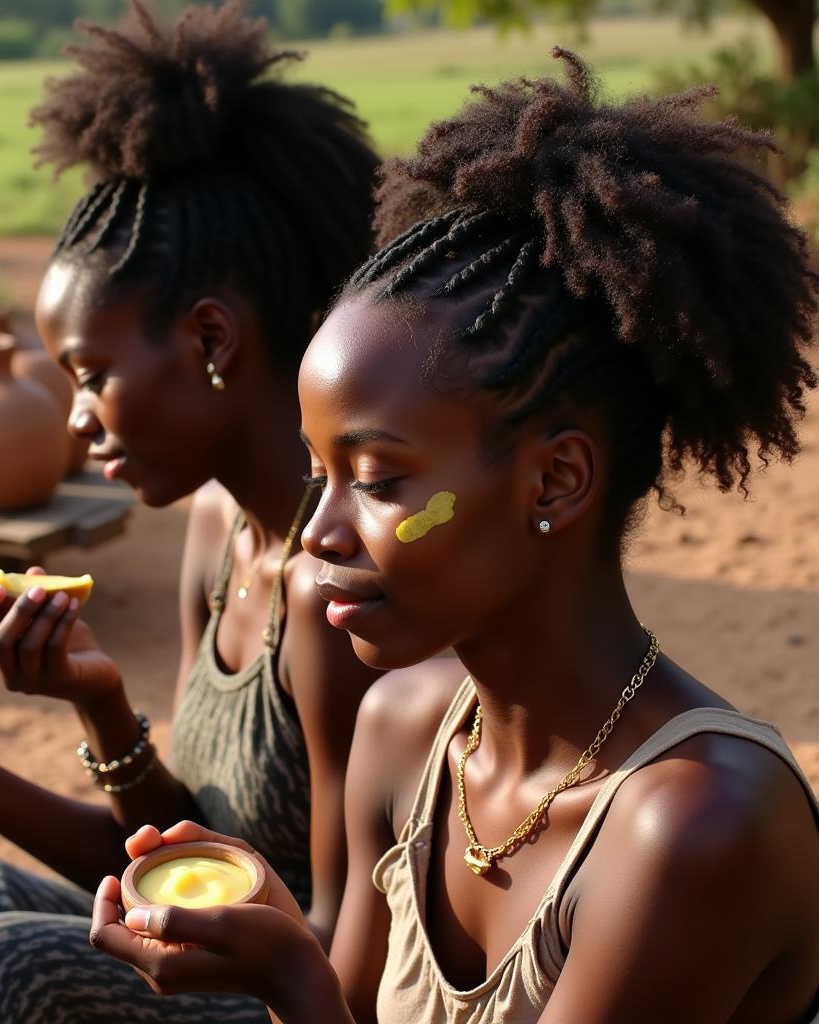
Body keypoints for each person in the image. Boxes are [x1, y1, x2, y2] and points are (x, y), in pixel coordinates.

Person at [87, 49, 819, 1024]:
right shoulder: (401, 729)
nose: (317, 532)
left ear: (553, 481)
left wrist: (291, 981)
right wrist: (277, 952)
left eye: (379, 480)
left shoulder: (693, 820)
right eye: (317, 474)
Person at [0, 4, 384, 1022]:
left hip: (295, 992)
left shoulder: (337, 595)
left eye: (90, 375)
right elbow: (183, 842)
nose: (75, 419)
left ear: (209, 338)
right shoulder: (219, 525)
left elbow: (336, 956)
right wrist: (24, 739)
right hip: (205, 942)